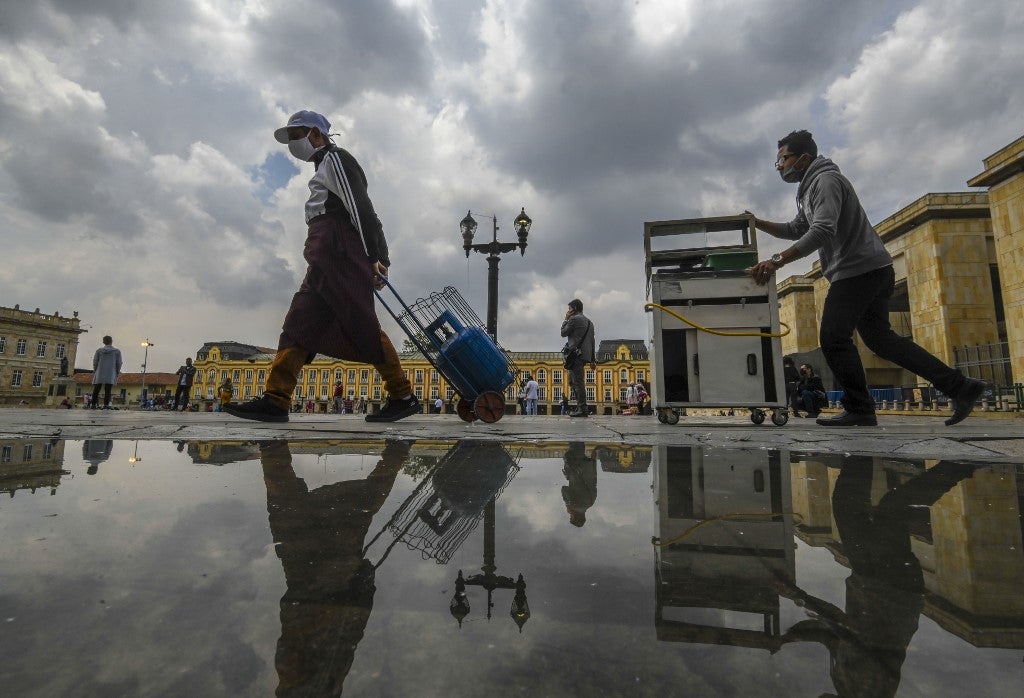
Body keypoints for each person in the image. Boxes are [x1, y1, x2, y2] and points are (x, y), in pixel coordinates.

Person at [747, 129, 985, 427]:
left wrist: (776, 261)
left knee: (833, 338)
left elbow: (822, 230)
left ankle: (859, 407)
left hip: (858, 271)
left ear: (803, 158)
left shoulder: (825, 181)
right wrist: (757, 223)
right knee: (881, 341)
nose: (780, 166)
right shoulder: (810, 188)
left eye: (783, 159)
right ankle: (961, 387)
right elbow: (797, 228)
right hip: (870, 270)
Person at [224, 110, 419, 424]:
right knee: (299, 322)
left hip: (339, 252)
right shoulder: (324, 165)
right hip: (325, 253)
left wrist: (375, 257)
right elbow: (364, 213)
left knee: (361, 322)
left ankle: (402, 394)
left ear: (316, 134)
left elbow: (362, 209)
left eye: (296, 135)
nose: (293, 143)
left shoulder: (336, 159)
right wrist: (377, 255)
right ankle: (276, 399)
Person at [560, 299, 596, 417]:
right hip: (584, 355)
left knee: (578, 382)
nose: (568, 311)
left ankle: (583, 409)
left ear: (574, 309)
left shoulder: (574, 319)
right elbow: (592, 341)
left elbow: (563, 333)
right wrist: (593, 359)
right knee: (572, 381)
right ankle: (580, 407)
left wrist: (566, 319)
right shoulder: (590, 322)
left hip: (575, 355)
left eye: (569, 308)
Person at [90, 335, 122, 409]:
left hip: (100, 371)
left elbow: (95, 361)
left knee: (96, 388)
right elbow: (119, 363)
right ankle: (106, 405)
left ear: (103, 342)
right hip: (111, 372)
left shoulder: (99, 351)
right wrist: (117, 371)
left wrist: (95, 370)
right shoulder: (117, 351)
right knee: (108, 389)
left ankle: (93, 404)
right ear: (111, 341)